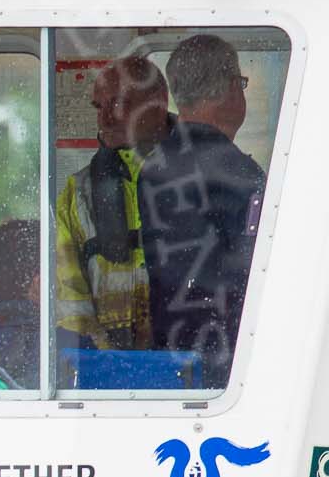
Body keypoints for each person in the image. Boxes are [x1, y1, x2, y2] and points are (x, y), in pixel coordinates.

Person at [139, 34, 266, 388]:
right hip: (229, 358)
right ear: (228, 89)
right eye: (239, 83)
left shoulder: (154, 167)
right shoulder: (238, 173)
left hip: (171, 352)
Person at [55, 56, 173, 352]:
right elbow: (72, 308)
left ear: (158, 103)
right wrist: (108, 368)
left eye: (118, 104)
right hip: (108, 377)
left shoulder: (199, 174)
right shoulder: (76, 193)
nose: (104, 118)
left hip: (191, 367)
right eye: (99, 106)